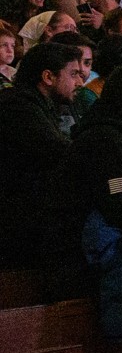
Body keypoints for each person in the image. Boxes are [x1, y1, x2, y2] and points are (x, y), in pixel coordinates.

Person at [0, 43, 82, 264]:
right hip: (18, 220)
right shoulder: (18, 106)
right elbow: (58, 150)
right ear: (48, 77)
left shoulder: (40, 105)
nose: (79, 82)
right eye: (73, 74)